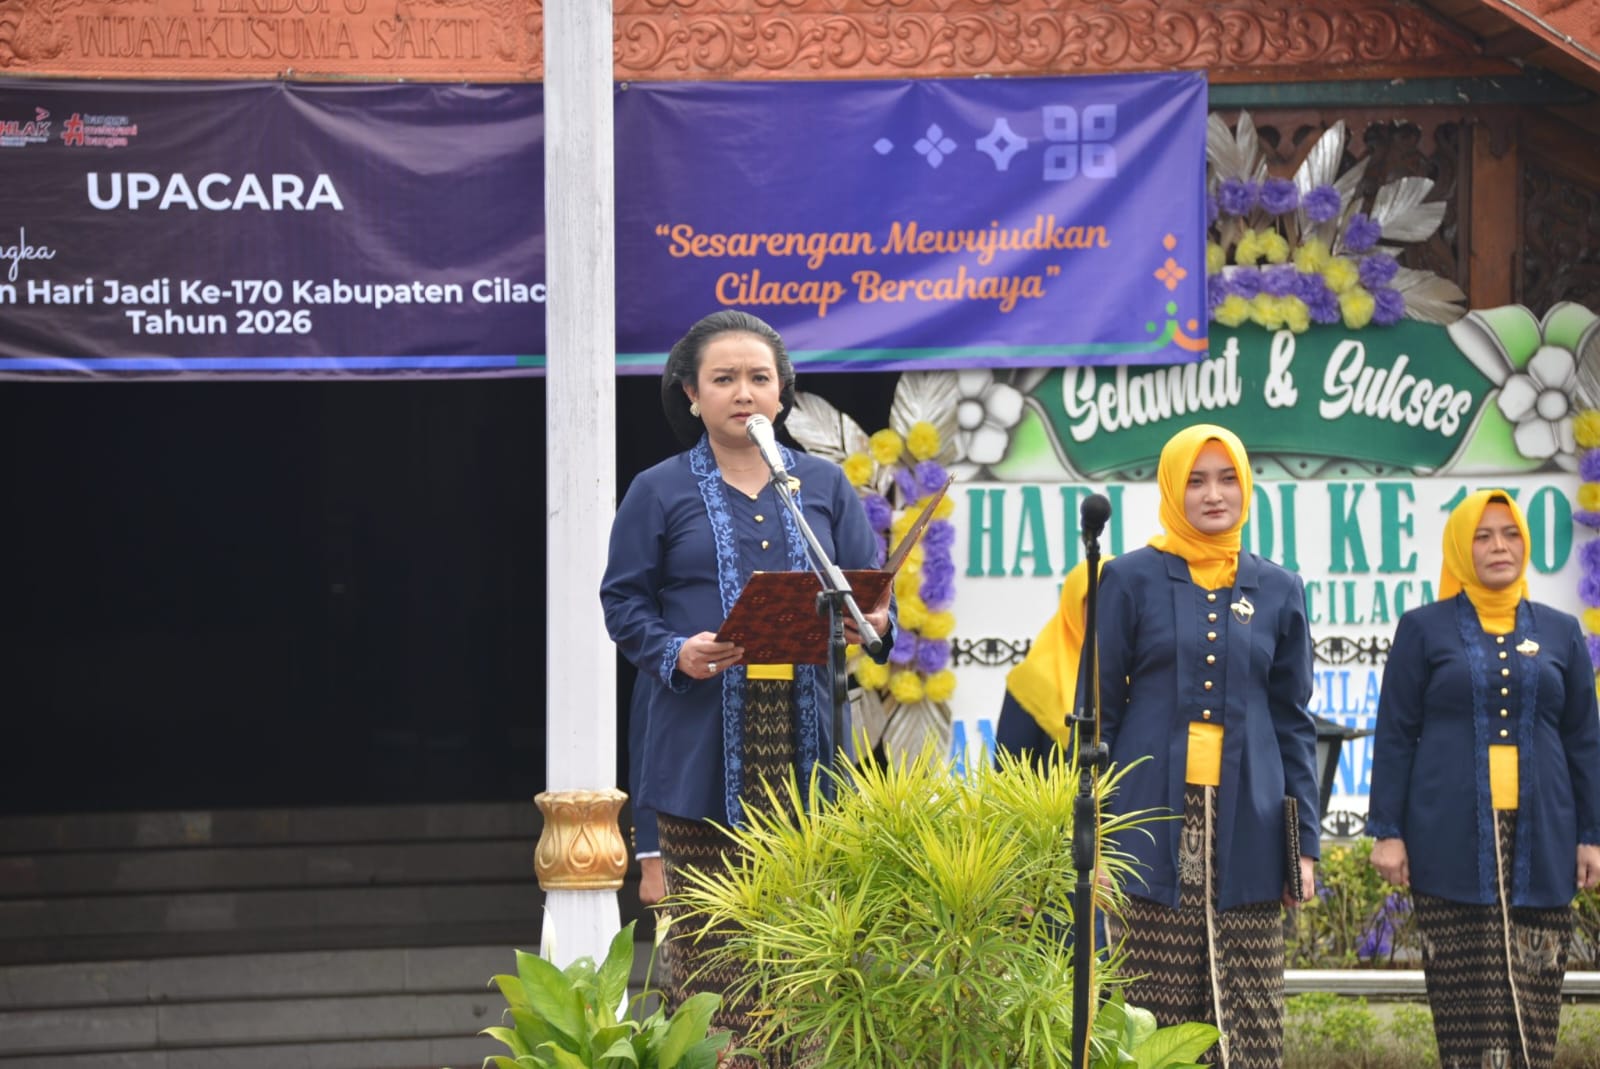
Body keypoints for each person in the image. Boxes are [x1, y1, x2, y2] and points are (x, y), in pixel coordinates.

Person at [601, 309, 893, 1063]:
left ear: (782, 393)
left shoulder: (821, 484)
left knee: (803, 972)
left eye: (759, 378)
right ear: (691, 394)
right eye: (723, 379)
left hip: (807, 764)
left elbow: (869, 595)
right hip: (699, 758)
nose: (743, 393)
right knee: (714, 977)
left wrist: (870, 623)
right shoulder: (658, 489)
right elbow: (622, 603)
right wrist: (677, 649)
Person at [1095, 423, 1319, 1069]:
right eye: (1195, 480)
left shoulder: (1279, 588)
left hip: (1250, 824)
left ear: (1246, 486)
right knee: (1147, 1010)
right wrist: (1098, 836)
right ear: (1172, 487)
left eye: (1227, 479)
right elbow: (1098, 717)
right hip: (1147, 819)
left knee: (1249, 1007)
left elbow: (1294, 721)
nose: (1213, 494)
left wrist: (1303, 846)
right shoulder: (1129, 578)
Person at [1367, 490, 1600, 1069]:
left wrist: (1591, 835)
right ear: (1460, 547)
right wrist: (1388, 831)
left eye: (1511, 534)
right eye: (1483, 535)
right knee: (1464, 1004)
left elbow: (1584, 740)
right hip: (1448, 838)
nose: (1500, 546)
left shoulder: (1561, 632)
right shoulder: (1424, 629)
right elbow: (1395, 732)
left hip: (1543, 839)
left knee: (1535, 997)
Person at [993, 557, 1106, 765]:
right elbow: (1010, 772)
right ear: (1073, 606)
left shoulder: (1143, 674)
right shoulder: (1033, 679)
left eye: (1119, 602)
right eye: (1096, 602)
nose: (1109, 612)